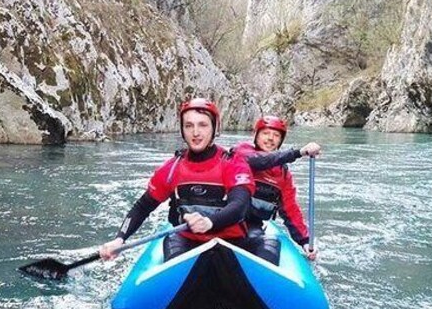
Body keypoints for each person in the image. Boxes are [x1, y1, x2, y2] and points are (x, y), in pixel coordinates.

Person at [100, 98, 255, 262]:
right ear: (182, 129)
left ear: (214, 128)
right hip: (188, 241)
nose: (195, 133)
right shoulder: (171, 169)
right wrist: (120, 238)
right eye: (189, 126)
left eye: (203, 125)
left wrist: (209, 222)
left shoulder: (233, 163)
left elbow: (240, 206)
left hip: (229, 243)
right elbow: (142, 207)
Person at [233, 115, 321, 263]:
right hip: (224, 222)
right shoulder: (241, 152)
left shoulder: (283, 174)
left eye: (276, 135)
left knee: (266, 247)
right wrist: (299, 152)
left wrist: (305, 241)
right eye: (265, 133)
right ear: (256, 136)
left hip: (252, 227)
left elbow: (290, 210)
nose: (270, 139)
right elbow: (260, 161)